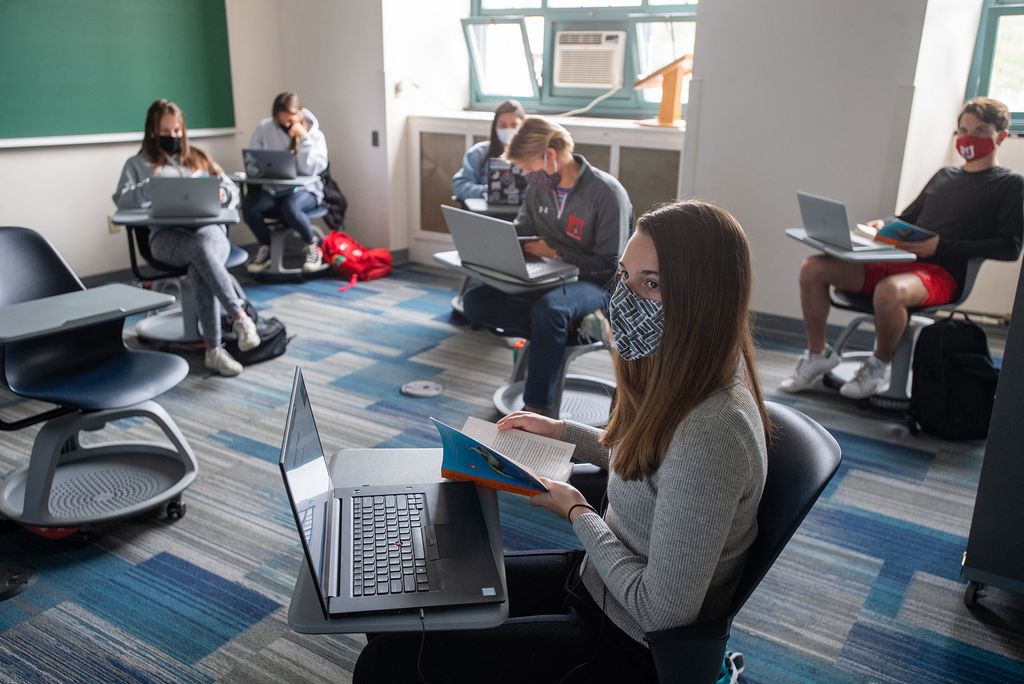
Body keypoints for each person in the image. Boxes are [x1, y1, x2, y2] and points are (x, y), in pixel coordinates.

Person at [353, 200, 770, 683]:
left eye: (651, 283)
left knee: (386, 665)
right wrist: (562, 432)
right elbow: (653, 463)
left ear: (704, 299)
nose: (625, 297)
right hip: (599, 582)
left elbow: (662, 613)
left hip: (628, 644)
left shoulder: (713, 430)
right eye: (625, 276)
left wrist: (578, 512)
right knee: (402, 607)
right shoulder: (682, 371)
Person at [782, 96, 1024, 399]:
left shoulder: (1011, 184)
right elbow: (906, 218)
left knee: (889, 291)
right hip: (901, 260)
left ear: (1001, 136)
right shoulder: (945, 176)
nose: (968, 139)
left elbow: (1009, 247)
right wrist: (881, 226)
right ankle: (818, 355)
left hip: (943, 273)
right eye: (963, 130)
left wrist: (940, 247)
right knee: (813, 268)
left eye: (980, 131)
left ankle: (878, 366)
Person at [461, 116, 633, 414]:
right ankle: (564, 330)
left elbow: (610, 266)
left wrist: (557, 253)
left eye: (529, 168)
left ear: (550, 155)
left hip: (595, 284)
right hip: (547, 278)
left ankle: (536, 408)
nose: (527, 176)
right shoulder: (539, 188)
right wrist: (495, 243)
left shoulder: (606, 193)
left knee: (550, 311)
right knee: (475, 300)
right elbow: (523, 227)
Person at [113, 99, 261, 377]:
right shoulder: (137, 164)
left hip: (210, 232)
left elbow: (231, 189)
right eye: (165, 130)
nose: (172, 136)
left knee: (200, 257)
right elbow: (121, 200)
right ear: (153, 131)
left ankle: (214, 350)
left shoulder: (198, 157)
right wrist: (151, 187)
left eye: (177, 129)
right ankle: (239, 318)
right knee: (199, 252)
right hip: (166, 239)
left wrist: (223, 194)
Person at [243, 91, 330, 274]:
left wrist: (304, 139)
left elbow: (311, 169)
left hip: (306, 191)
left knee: (290, 208)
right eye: (281, 121)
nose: (285, 125)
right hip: (274, 189)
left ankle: (312, 247)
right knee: (250, 207)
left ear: (300, 114)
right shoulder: (264, 128)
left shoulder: (315, 135)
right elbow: (253, 159)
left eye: (290, 120)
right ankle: (265, 248)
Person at [451, 99, 526, 203]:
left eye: (514, 125)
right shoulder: (478, 153)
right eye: (503, 125)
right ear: (495, 127)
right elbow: (460, 186)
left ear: (523, 127)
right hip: (484, 215)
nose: (508, 129)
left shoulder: (532, 157)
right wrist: (492, 191)